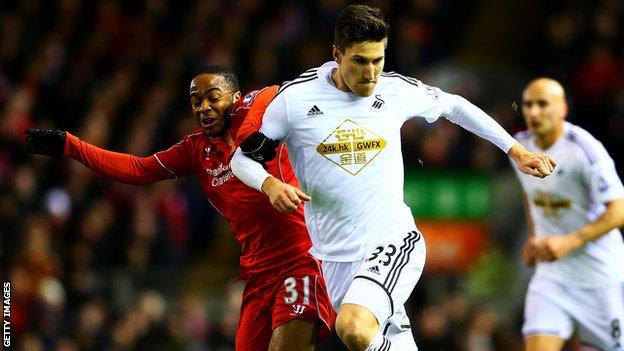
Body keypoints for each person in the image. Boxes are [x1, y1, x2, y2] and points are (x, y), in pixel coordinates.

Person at [230, 5, 557, 351]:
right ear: (337, 54)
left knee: (354, 328)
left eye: (378, 60)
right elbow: (243, 159)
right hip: (334, 258)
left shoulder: (394, 90)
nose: (371, 73)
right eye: (360, 61)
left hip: (393, 240)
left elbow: (454, 105)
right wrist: (269, 184)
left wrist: (515, 150)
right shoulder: (295, 100)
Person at [24, 66, 334, 351]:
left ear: (236, 97)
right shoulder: (195, 150)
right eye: (196, 101)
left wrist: (247, 129)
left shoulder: (262, 115)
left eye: (213, 97)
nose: (204, 107)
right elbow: (138, 169)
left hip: (301, 259)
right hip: (258, 275)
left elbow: (277, 89)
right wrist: (71, 146)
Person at [513, 78, 624, 351]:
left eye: (542, 104)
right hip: (552, 277)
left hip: (598, 277)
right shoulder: (520, 148)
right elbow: (532, 195)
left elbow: (619, 210)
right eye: (528, 104)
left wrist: (568, 242)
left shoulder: (584, 149)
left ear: (562, 108)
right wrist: (534, 237)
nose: (534, 112)